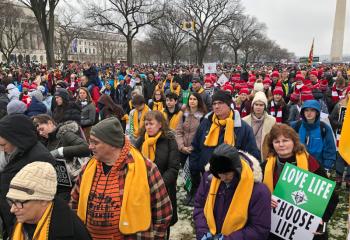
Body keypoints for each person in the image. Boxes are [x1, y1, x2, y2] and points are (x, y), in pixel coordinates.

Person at [70, 117, 173, 239]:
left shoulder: (146, 169)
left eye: (95, 142)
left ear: (113, 144)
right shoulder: (88, 167)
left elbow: (163, 213)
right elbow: (74, 201)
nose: (90, 147)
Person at [261, 124, 339, 240]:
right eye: (277, 141)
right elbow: (254, 195)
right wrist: (265, 199)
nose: (281, 144)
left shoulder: (311, 163)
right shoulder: (265, 167)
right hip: (275, 228)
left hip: (307, 229)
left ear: (294, 141)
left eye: (285, 140)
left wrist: (322, 218)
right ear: (272, 144)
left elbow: (331, 195)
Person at [190, 90, 260, 206]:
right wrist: (196, 170)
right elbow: (196, 147)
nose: (216, 107)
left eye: (220, 103)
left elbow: (251, 156)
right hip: (206, 179)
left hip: (231, 182)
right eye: (214, 104)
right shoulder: (205, 123)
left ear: (229, 104)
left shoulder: (243, 128)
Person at [193, 144, 271, 240]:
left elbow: (259, 228)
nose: (222, 178)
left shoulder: (258, 191)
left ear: (236, 169)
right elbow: (199, 206)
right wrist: (203, 232)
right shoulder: (209, 178)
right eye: (219, 173)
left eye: (226, 173)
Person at [0, 114, 55, 239]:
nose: (2, 150)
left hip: (27, 223)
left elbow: (43, 198)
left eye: (3, 145)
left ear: (16, 139)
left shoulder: (40, 158)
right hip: (13, 217)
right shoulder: (14, 152)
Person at [7, 162, 92, 239]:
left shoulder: (72, 234)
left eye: (19, 202)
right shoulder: (20, 220)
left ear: (44, 200)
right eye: (11, 201)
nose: (12, 209)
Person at [135, 111, 180, 238]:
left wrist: (156, 185)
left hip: (163, 191)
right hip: (142, 191)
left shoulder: (169, 140)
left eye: (151, 124)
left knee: (163, 226)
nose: (148, 126)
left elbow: (173, 169)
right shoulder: (141, 140)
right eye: (146, 123)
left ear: (160, 124)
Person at [290, 100, 336, 172]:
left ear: (317, 112)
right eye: (306, 110)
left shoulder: (324, 128)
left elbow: (330, 149)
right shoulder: (296, 126)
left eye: (312, 110)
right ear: (303, 112)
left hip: (318, 168)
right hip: (297, 167)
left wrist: (327, 167)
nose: (309, 113)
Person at [175, 92, 207, 167]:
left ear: (199, 101)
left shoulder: (203, 117)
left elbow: (203, 136)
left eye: (194, 99)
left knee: (193, 173)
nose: (192, 101)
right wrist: (182, 147)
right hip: (182, 151)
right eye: (190, 99)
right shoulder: (184, 115)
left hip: (196, 152)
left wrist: (193, 147)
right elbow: (178, 132)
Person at [243, 91, 276, 160]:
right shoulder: (244, 120)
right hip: (249, 154)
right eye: (256, 104)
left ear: (265, 106)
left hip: (265, 155)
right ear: (253, 106)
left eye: (261, 105)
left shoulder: (272, 120)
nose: (258, 107)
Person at [329, 86, 350, 188]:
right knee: (340, 155)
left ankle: (348, 179)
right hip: (340, 135)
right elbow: (331, 119)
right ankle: (338, 177)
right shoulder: (339, 105)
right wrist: (339, 125)